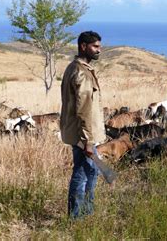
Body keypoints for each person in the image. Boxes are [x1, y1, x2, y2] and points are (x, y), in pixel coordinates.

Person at [60, 31, 106, 219]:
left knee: (91, 171)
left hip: (79, 132)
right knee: (82, 174)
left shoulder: (73, 67)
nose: (99, 50)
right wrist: (88, 140)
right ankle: (77, 217)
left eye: (99, 46)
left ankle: (86, 213)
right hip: (84, 135)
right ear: (83, 46)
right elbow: (84, 109)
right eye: (95, 46)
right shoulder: (81, 73)